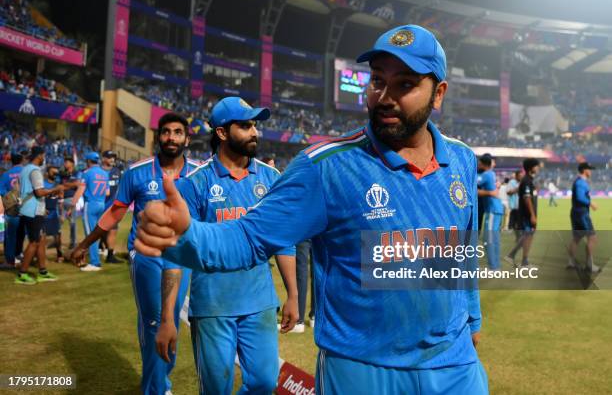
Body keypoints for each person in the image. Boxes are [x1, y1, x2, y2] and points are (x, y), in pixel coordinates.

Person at [135, 25, 487, 394]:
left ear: (439, 94)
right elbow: (247, 238)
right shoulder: (326, 167)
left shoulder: (461, 159)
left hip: (455, 365)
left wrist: (472, 319)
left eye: (405, 84)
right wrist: (186, 235)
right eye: (378, 80)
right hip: (362, 369)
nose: (384, 97)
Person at [156, 97, 299, 394]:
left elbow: (283, 242)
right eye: (245, 126)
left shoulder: (272, 179)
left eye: (255, 126)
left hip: (259, 302)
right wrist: (168, 318)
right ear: (222, 133)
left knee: (263, 382)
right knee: (215, 389)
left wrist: (293, 295)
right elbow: (175, 256)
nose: (255, 132)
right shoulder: (195, 184)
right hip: (212, 305)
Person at [71, 113, 199, 394]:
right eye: (166, 132)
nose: (171, 137)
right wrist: (84, 243)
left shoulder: (199, 173)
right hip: (146, 256)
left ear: (187, 139)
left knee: (171, 319)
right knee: (155, 321)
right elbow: (115, 212)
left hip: (182, 257)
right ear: (158, 137)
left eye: (178, 132)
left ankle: (162, 382)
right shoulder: (137, 172)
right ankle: (155, 389)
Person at [15, 146, 63, 285]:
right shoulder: (35, 171)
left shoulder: (25, 169)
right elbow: (39, 192)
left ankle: (42, 271)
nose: (44, 158)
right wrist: (55, 189)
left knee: (41, 240)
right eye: (43, 155)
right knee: (35, 242)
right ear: (39, 156)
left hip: (29, 209)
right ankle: (22, 274)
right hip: (33, 211)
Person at [71, 152, 109, 271]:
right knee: (96, 234)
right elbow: (107, 192)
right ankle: (94, 259)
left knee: (90, 235)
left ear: (88, 161)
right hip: (101, 204)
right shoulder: (104, 173)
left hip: (91, 205)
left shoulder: (87, 173)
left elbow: (80, 190)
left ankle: (95, 263)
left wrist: (72, 205)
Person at [504, 158, 540, 268]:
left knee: (528, 236)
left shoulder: (528, 180)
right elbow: (527, 199)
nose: (538, 168)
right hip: (526, 215)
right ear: (531, 168)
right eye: (536, 166)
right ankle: (512, 256)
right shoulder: (527, 181)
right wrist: (533, 215)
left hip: (527, 214)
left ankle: (523, 260)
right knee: (527, 235)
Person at [567, 162, 599, 272]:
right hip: (582, 214)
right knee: (592, 237)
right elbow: (581, 198)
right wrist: (591, 203)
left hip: (576, 213)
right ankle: (590, 265)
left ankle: (571, 262)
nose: (590, 171)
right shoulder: (581, 183)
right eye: (589, 169)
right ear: (585, 170)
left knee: (576, 238)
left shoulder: (578, 181)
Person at [478, 155, 503, 270]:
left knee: (489, 238)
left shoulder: (486, 175)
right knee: (495, 238)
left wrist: (488, 192)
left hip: (492, 209)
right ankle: (495, 265)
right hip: (496, 209)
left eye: (480, 162)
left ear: (483, 163)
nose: (478, 164)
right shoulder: (492, 174)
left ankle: (493, 267)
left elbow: (471, 187)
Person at [0, 152, 24, 266]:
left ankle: (10, 260)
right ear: (22, 160)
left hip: (11, 207)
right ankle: (18, 254)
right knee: (22, 232)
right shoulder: (26, 172)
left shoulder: (6, 174)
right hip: (26, 206)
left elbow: (1, 192)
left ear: (11, 161)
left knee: (10, 235)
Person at [101, 150, 122, 264]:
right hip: (99, 206)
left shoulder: (117, 171)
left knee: (113, 230)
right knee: (100, 230)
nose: (112, 159)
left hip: (112, 207)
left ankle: (110, 255)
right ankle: (101, 246)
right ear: (103, 158)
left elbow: (121, 187)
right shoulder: (98, 171)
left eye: (113, 157)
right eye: (109, 157)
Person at [59, 156, 81, 250]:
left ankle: (73, 242)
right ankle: (57, 241)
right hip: (63, 200)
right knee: (60, 221)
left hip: (72, 199)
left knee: (72, 223)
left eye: (67, 162)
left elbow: (78, 184)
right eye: (65, 162)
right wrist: (61, 200)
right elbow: (60, 187)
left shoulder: (77, 173)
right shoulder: (63, 175)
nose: (65, 164)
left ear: (72, 163)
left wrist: (66, 185)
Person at [43, 165, 64, 262]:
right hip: (44, 212)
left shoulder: (58, 184)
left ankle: (59, 254)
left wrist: (61, 214)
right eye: (53, 172)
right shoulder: (42, 184)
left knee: (57, 234)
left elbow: (60, 200)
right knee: (42, 235)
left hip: (54, 213)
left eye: (56, 173)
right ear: (47, 173)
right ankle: (42, 256)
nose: (55, 174)